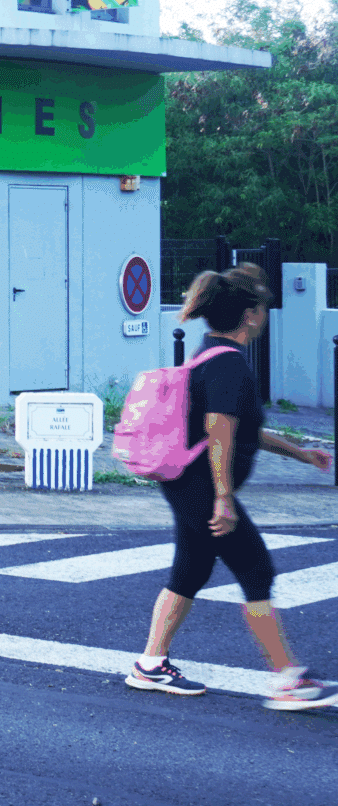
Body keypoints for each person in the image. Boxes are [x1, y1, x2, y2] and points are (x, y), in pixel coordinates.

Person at [127, 265, 337, 708]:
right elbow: (219, 429)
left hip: (190, 484)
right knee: (256, 569)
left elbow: (242, 431)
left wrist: (302, 454)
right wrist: (223, 498)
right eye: (262, 308)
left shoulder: (211, 354)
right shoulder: (229, 365)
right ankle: (287, 679)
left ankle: (150, 664)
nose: (265, 315)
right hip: (203, 490)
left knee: (190, 571)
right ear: (250, 315)